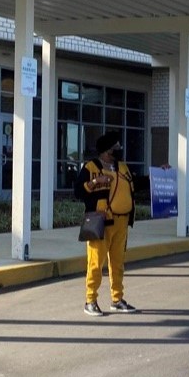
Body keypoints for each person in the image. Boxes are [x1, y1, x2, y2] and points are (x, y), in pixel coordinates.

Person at [76, 131, 138, 317]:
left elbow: (137, 183)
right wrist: (96, 181)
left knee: (118, 263)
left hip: (122, 222)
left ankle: (117, 299)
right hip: (100, 223)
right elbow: (78, 191)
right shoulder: (90, 167)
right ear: (105, 151)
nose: (118, 150)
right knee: (95, 263)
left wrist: (159, 174)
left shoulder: (122, 167)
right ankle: (90, 300)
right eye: (115, 148)